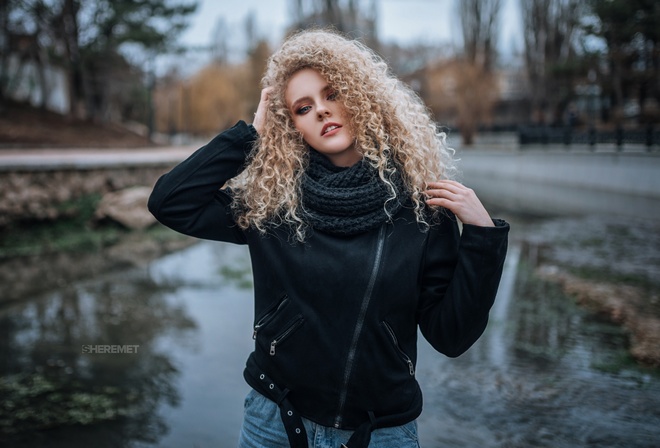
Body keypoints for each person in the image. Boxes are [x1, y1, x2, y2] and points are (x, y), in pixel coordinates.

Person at [148, 29, 509, 448]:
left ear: (362, 95)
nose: (321, 111)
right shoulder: (272, 203)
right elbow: (171, 202)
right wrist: (249, 135)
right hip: (274, 423)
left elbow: (452, 337)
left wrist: (482, 236)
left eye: (332, 93)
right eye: (303, 108)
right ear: (291, 125)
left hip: (380, 432)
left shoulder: (422, 209)